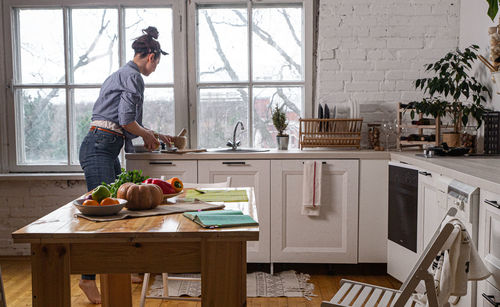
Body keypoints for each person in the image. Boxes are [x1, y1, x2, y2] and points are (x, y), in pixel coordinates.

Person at [78, 26, 172, 304]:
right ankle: (87, 278)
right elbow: (127, 121)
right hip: (100, 147)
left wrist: (154, 134)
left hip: (103, 144)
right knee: (102, 215)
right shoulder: (133, 77)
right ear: (151, 57)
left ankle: (122, 267)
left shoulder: (121, 74)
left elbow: (125, 124)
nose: (155, 69)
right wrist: (145, 134)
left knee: (121, 207)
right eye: (157, 63)